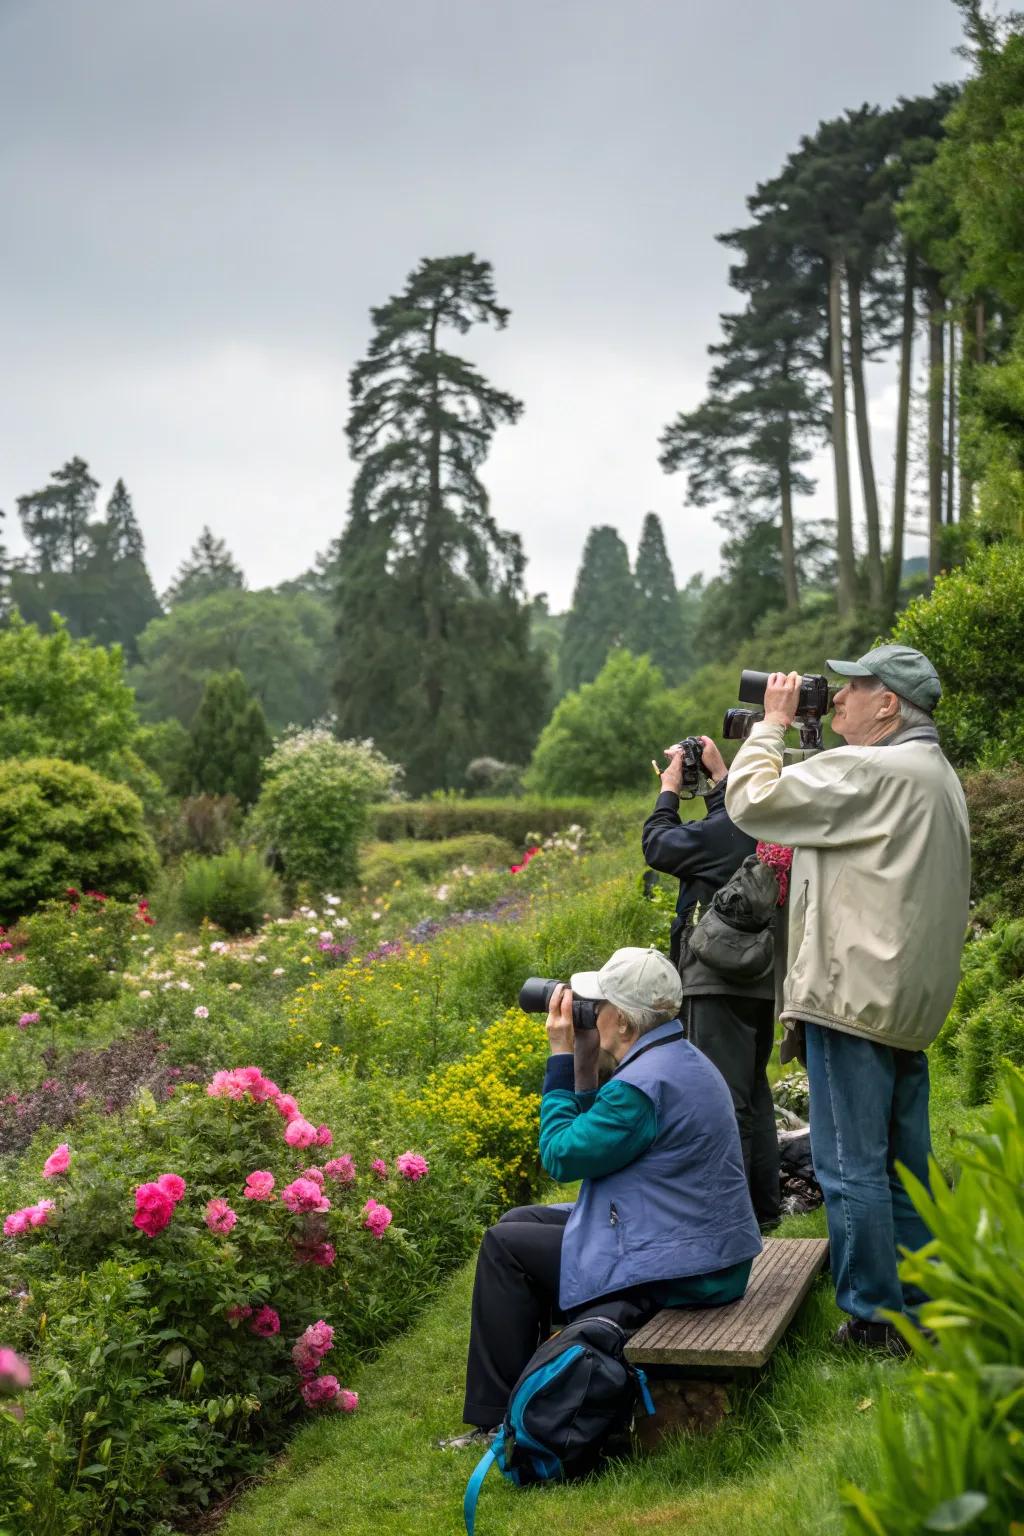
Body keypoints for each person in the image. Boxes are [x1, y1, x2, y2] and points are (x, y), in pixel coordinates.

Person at [724, 645, 971, 1354]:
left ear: (888, 703)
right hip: (903, 1004)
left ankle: (872, 1322)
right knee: (903, 1169)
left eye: (853, 688)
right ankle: (927, 1308)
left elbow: (754, 803)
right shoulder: (933, 774)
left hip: (853, 1000)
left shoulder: (877, 768)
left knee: (848, 1166)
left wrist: (770, 725)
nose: (835, 699)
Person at [442, 946, 762, 1448]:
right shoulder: (678, 1057)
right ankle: (549, 1365)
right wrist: (587, 1064)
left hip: (687, 1269)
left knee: (504, 1247)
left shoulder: (640, 1087)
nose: (590, 1011)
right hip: (703, 1245)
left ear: (626, 1024)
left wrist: (561, 1058)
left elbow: (561, 1155)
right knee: (521, 1219)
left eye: (600, 1004)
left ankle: (496, 1422)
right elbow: (600, 1142)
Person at [642, 735, 781, 1229]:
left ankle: (731, 1221)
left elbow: (657, 844)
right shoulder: (763, 825)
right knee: (752, 1094)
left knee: (724, 1101)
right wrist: (723, 779)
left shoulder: (717, 833)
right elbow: (733, 818)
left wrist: (669, 790)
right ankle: (764, 1211)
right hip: (762, 977)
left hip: (713, 978)